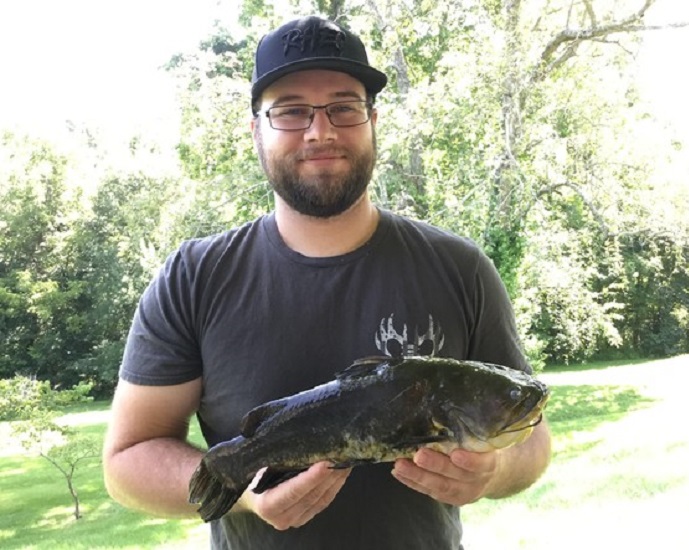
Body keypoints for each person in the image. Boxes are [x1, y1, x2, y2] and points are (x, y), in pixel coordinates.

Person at [103, 15, 551, 550]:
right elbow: (126, 461)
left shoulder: (459, 266)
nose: (322, 131)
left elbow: (532, 442)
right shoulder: (193, 278)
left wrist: (491, 470)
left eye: (344, 106)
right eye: (291, 111)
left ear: (372, 120)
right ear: (256, 130)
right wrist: (244, 491)